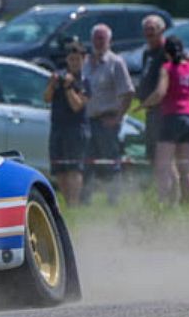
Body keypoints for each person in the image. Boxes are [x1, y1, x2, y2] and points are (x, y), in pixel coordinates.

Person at [142, 35, 189, 204]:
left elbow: (160, 93)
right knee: (185, 168)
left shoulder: (167, 68)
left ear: (166, 53)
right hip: (188, 119)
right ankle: (185, 204)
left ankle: (164, 203)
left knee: (162, 165)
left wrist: (144, 105)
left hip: (170, 118)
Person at [82, 22, 134, 202]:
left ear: (109, 41)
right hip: (89, 121)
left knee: (110, 162)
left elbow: (128, 92)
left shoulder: (116, 62)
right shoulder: (86, 62)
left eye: (102, 39)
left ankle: (114, 199)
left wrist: (118, 118)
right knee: (87, 163)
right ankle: (84, 201)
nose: (98, 42)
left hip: (107, 121)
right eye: (96, 38)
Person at [43, 39, 91, 206]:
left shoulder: (84, 81)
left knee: (73, 167)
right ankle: (67, 201)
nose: (74, 63)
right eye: (71, 59)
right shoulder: (60, 77)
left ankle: (74, 202)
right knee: (59, 168)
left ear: (84, 59)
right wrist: (52, 83)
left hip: (76, 129)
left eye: (78, 59)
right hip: (58, 128)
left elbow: (77, 105)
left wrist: (68, 87)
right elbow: (46, 98)